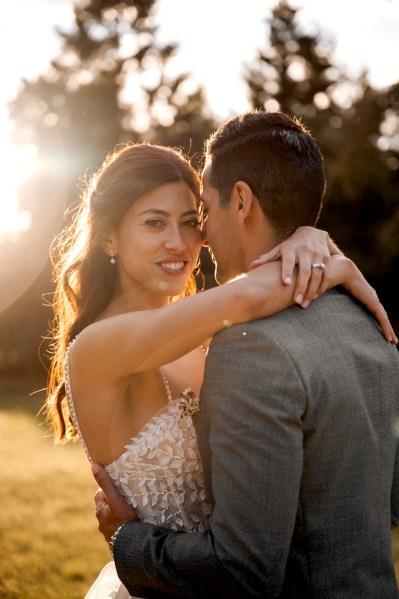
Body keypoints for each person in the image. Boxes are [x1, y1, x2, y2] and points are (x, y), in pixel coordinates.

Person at [91, 111, 399, 598]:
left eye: (200, 215)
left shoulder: (249, 345)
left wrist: (128, 539)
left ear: (241, 200)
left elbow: (244, 570)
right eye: (156, 223)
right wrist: (328, 254)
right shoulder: (360, 320)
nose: (199, 237)